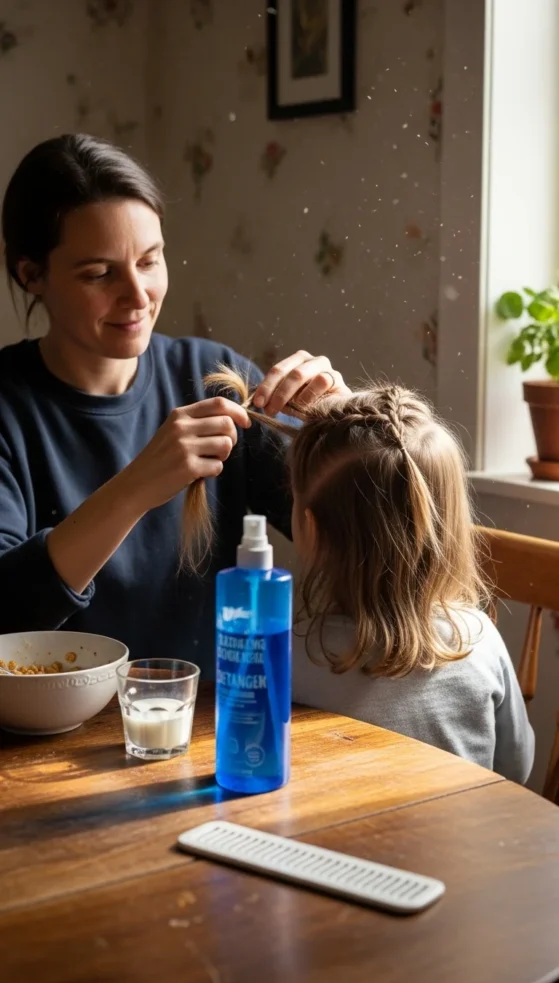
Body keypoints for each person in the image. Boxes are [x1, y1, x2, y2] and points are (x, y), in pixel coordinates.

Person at [0, 133, 349, 678]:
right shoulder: (9, 409)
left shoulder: (213, 379)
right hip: (45, 747)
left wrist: (347, 431)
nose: (138, 295)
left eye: (150, 260)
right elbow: (5, 608)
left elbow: (350, 534)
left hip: (215, 728)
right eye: (99, 274)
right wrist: (138, 485)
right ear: (31, 274)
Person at [207, 367, 534, 783]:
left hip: (331, 847)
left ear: (311, 528)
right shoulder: (480, 639)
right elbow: (516, 771)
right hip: (465, 846)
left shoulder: (290, 655)